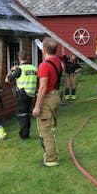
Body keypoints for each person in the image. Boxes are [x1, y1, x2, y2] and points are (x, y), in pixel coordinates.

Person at [32, 37, 62, 167]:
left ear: (44, 50)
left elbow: (43, 87)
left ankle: (51, 159)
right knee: (51, 128)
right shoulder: (58, 61)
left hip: (48, 98)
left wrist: (37, 106)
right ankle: (52, 152)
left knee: (46, 131)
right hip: (56, 96)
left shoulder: (44, 65)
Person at [5, 50, 37, 140]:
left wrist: (11, 71)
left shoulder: (19, 69)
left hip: (23, 95)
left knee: (22, 115)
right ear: (27, 58)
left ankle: (24, 135)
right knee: (26, 114)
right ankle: (26, 132)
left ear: (19, 58)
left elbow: (7, 80)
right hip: (31, 94)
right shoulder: (34, 68)